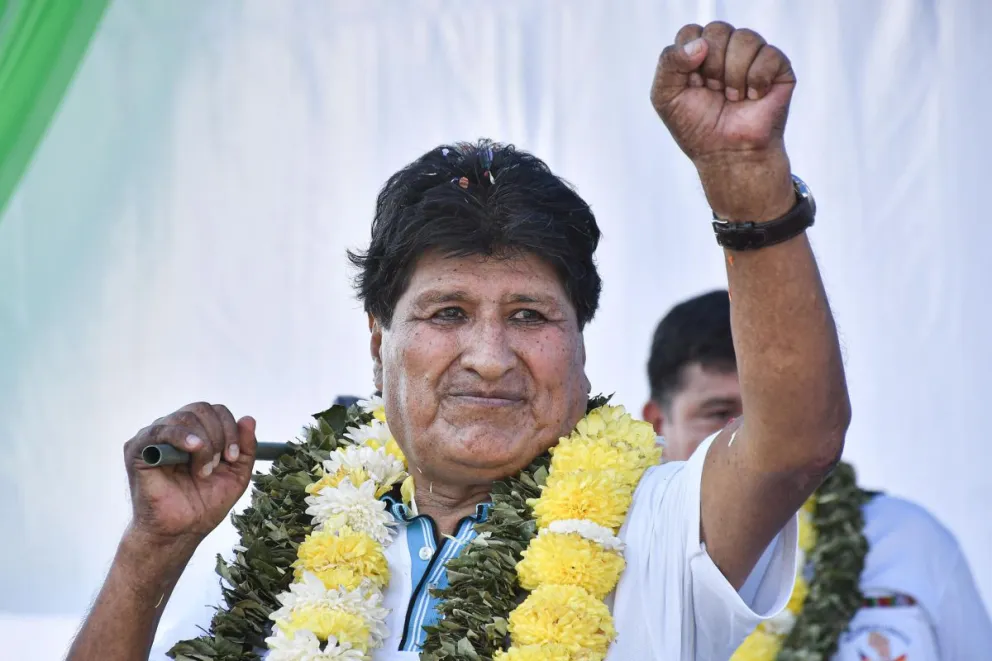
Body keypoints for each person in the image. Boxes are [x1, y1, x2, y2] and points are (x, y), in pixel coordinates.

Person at [67, 22, 850, 661]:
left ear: (581, 343)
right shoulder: (290, 535)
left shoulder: (658, 526)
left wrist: (746, 183)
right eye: (446, 314)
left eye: (529, 316)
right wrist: (153, 551)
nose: (488, 356)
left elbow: (794, 445)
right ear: (377, 341)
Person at [643, 290, 992, 660]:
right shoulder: (624, 558)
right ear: (657, 424)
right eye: (719, 412)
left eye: (772, 412)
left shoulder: (908, 539)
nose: (753, 437)